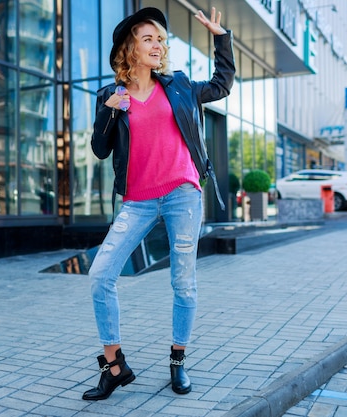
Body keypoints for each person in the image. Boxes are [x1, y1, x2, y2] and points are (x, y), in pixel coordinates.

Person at [82, 6, 235, 401]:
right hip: (138, 202)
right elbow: (100, 149)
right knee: (100, 275)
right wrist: (107, 113)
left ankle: (178, 360)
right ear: (129, 48)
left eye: (161, 40)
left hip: (183, 194)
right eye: (148, 38)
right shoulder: (111, 95)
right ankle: (114, 366)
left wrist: (221, 38)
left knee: (183, 283)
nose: (157, 45)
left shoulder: (179, 85)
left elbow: (221, 85)